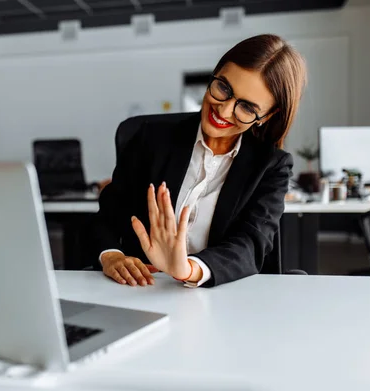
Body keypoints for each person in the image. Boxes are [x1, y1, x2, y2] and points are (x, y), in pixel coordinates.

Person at [91, 34, 307, 288]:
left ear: (267, 115)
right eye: (224, 88)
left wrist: (188, 269)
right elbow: (109, 214)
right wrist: (112, 255)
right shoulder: (151, 137)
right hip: (139, 288)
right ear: (214, 74)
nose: (224, 111)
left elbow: (250, 244)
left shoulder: (272, 166)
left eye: (247, 107)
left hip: (217, 295)